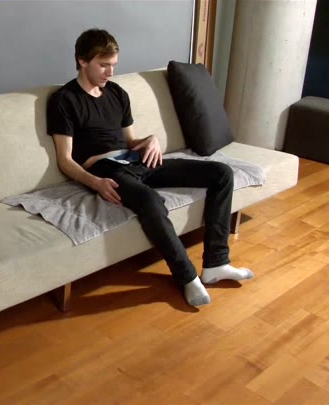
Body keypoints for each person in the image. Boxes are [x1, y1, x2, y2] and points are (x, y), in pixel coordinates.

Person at [46, 28, 254, 307]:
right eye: (103, 65)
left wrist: (151, 140)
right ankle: (187, 277)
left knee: (221, 173)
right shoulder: (64, 100)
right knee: (150, 200)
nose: (110, 72)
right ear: (82, 61)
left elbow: (131, 141)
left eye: (113, 65)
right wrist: (95, 183)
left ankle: (216, 263)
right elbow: (65, 159)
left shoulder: (117, 93)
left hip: (136, 160)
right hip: (104, 169)